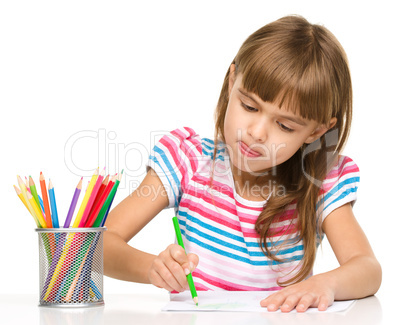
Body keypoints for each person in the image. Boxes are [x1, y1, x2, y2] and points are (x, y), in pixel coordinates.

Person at [103, 15, 382, 312]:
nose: (257, 133)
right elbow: (100, 245)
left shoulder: (319, 182)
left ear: (315, 132)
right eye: (249, 106)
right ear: (232, 81)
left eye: (285, 126)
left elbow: (367, 268)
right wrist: (150, 268)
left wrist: (327, 284)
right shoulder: (187, 160)